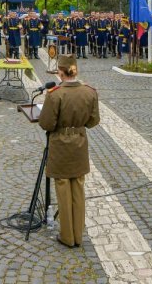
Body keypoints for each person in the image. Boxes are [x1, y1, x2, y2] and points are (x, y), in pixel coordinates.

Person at [38, 54, 100, 248]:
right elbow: (93, 121)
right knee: (78, 188)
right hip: (80, 142)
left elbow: (46, 123)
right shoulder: (90, 92)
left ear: (60, 72)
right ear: (76, 70)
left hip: (61, 143)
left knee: (63, 187)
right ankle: (78, 235)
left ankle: (67, 236)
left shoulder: (55, 94)